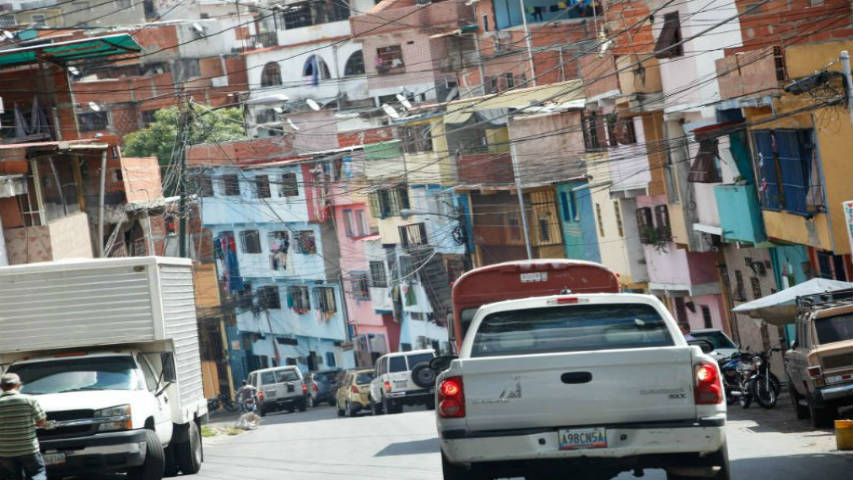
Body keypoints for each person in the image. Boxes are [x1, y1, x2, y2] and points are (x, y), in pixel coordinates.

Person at [0, 373, 48, 480]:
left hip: (5, 451)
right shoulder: (29, 400)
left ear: (1, 387)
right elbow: (41, 421)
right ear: (19, 385)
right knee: (37, 473)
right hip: (28, 448)